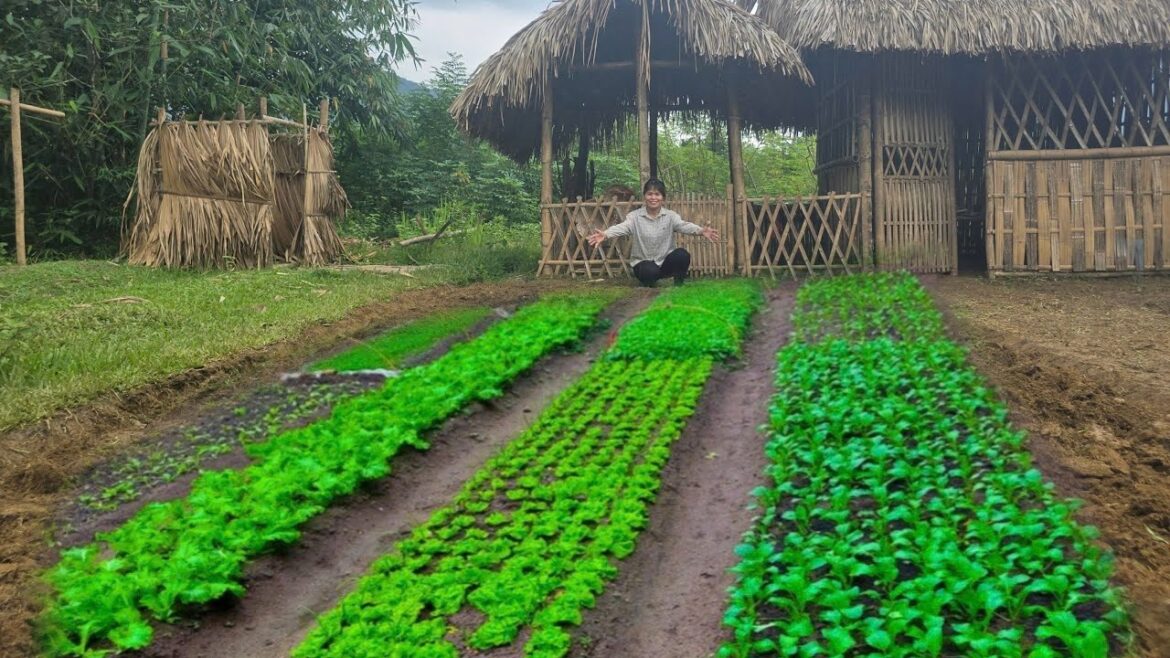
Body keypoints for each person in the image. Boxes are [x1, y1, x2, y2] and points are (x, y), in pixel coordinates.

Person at [586, 178, 720, 287]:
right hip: (643, 264)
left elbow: (684, 225)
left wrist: (701, 231)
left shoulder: (670, 216)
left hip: (664, 263)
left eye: (657, 194)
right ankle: (649, 283)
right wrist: (606, 234)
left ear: (663, 198)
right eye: (650, 194)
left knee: (682, 255)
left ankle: (679, 284)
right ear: (645, 196)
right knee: (649, 270)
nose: (653, 198)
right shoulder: (635, 217)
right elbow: (622, 227)